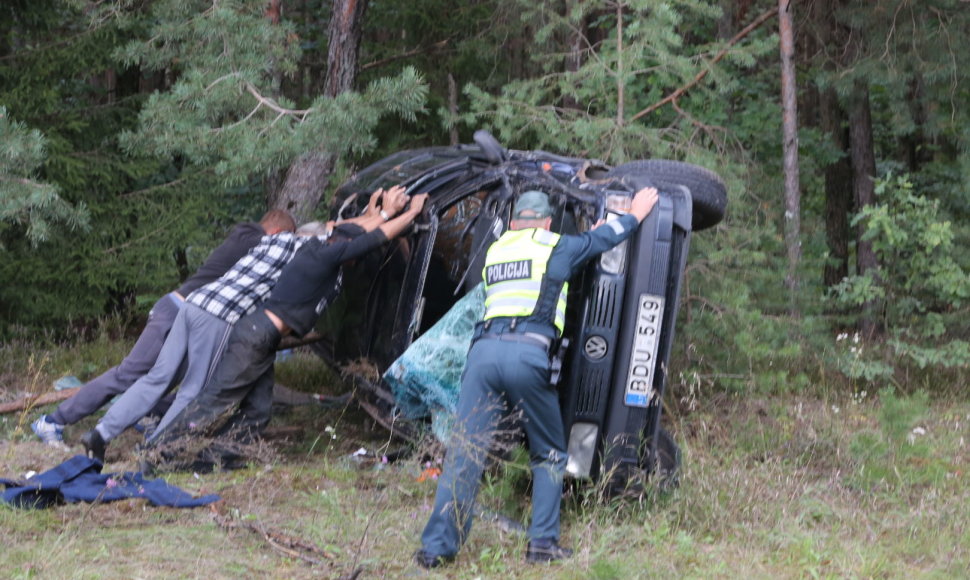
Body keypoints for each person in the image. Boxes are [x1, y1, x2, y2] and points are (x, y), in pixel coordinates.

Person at [415, 186, 659, 568]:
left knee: (465, 453)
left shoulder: (498, 250)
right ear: (547, 222)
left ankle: (436, 549)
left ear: (514, 222)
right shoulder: (555, 245)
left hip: (482, 356)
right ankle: (542, 543)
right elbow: (605, 239)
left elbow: (558, 253)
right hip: (527, 354)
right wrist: (638, 213)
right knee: (549, 452)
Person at [79, 187, 407, 462]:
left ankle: (101, 434)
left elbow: (340, 228)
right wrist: (386, 214)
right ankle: (155, 451)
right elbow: (347, 235)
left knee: (157, 378)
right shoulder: (305, 248)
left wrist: (376, 210)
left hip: (194, 304)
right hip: (221, 316)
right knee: (194, 391)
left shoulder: (271, 242)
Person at [31, 210, 296, 447]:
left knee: (184, 382)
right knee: (130, 374)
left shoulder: (248, 240)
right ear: (277, 232)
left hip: (189, 314)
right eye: (286, 238)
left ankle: (149, 419)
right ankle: (53, 420)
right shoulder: (252, 238)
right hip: (177, 312)